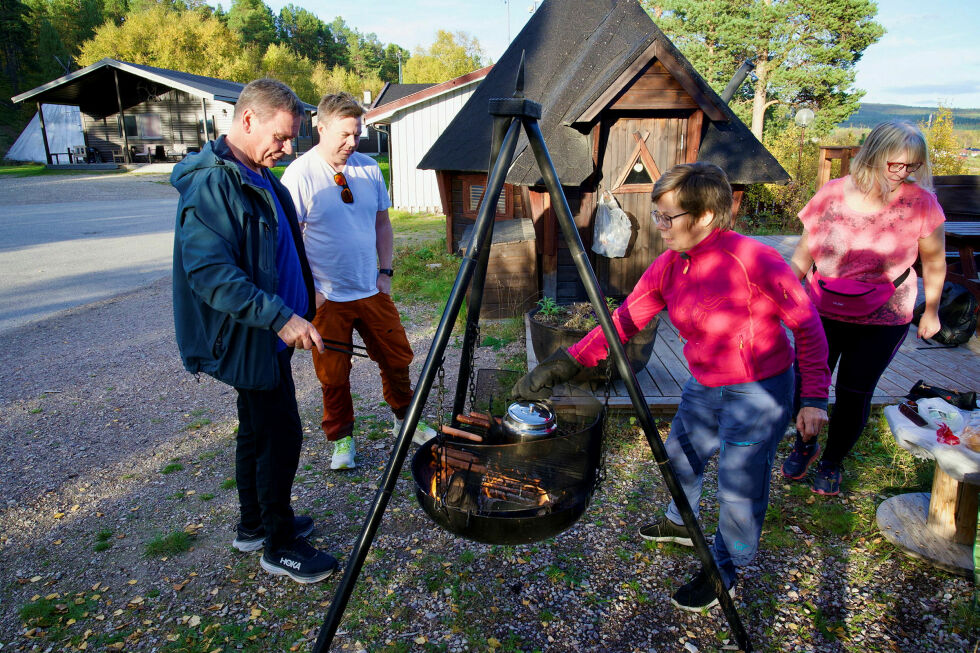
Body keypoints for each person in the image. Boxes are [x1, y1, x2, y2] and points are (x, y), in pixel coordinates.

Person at [512, 162, 831, 612]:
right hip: (704, 383)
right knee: (679, 457)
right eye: (658, 215)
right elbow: (621, 320)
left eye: (668, 217)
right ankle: (683, 524)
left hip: (759, 390)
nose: (658, 226)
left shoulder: (755, 261)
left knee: (741, 484)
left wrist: (814, 396)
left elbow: (809, 326)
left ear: (703, 216)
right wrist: (564, 363)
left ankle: (726, 566)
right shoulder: (669, 266)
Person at [171, 78, 338, 584]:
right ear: (248, 120)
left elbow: (279, 248)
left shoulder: (262, 174)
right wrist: (281, 317)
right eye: (283, 136)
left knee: (257, 430)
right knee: (279, 436)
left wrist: (306, 299)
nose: (289, 148)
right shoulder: (213, 184)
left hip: (273, 331)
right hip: (253, 335)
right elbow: (211, 274)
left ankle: (253, 526)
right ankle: (279, 544)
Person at [781, 121, 946, 495]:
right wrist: (783, 292)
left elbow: (934, 262)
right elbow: (805, 252)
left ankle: (832, 462)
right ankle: (805, 444)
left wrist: (932, 309)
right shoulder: (833, 194)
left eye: (912, 166)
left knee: (856, 394)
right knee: (806, 385)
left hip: (883, 318)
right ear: (873, 155)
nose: (904, 174)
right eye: (896, 165)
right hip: (821, 312)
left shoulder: (921, 204)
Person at [282, 92, 435, 471]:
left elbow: (383, 223)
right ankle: (341, 439)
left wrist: (385, 273)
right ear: (321, 128)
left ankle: (406, 419)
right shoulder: (299, 175)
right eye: (346, 134)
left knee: (397, 357)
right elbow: (288, 240)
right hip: (326, 298)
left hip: (371, 289)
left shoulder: (368, 169)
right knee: (333, 373)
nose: (354, 142)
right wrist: (310, 292)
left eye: (358, 133)